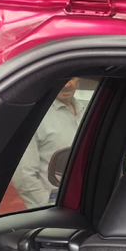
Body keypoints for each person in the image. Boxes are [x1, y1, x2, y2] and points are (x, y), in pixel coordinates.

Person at [12, 78, 81, 208]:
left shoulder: (87, 110)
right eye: (62, 77)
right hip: (55, 211)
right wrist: (48, 207)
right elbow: (23, 175)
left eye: (71, 77)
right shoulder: (35, 117)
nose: (67, 84)